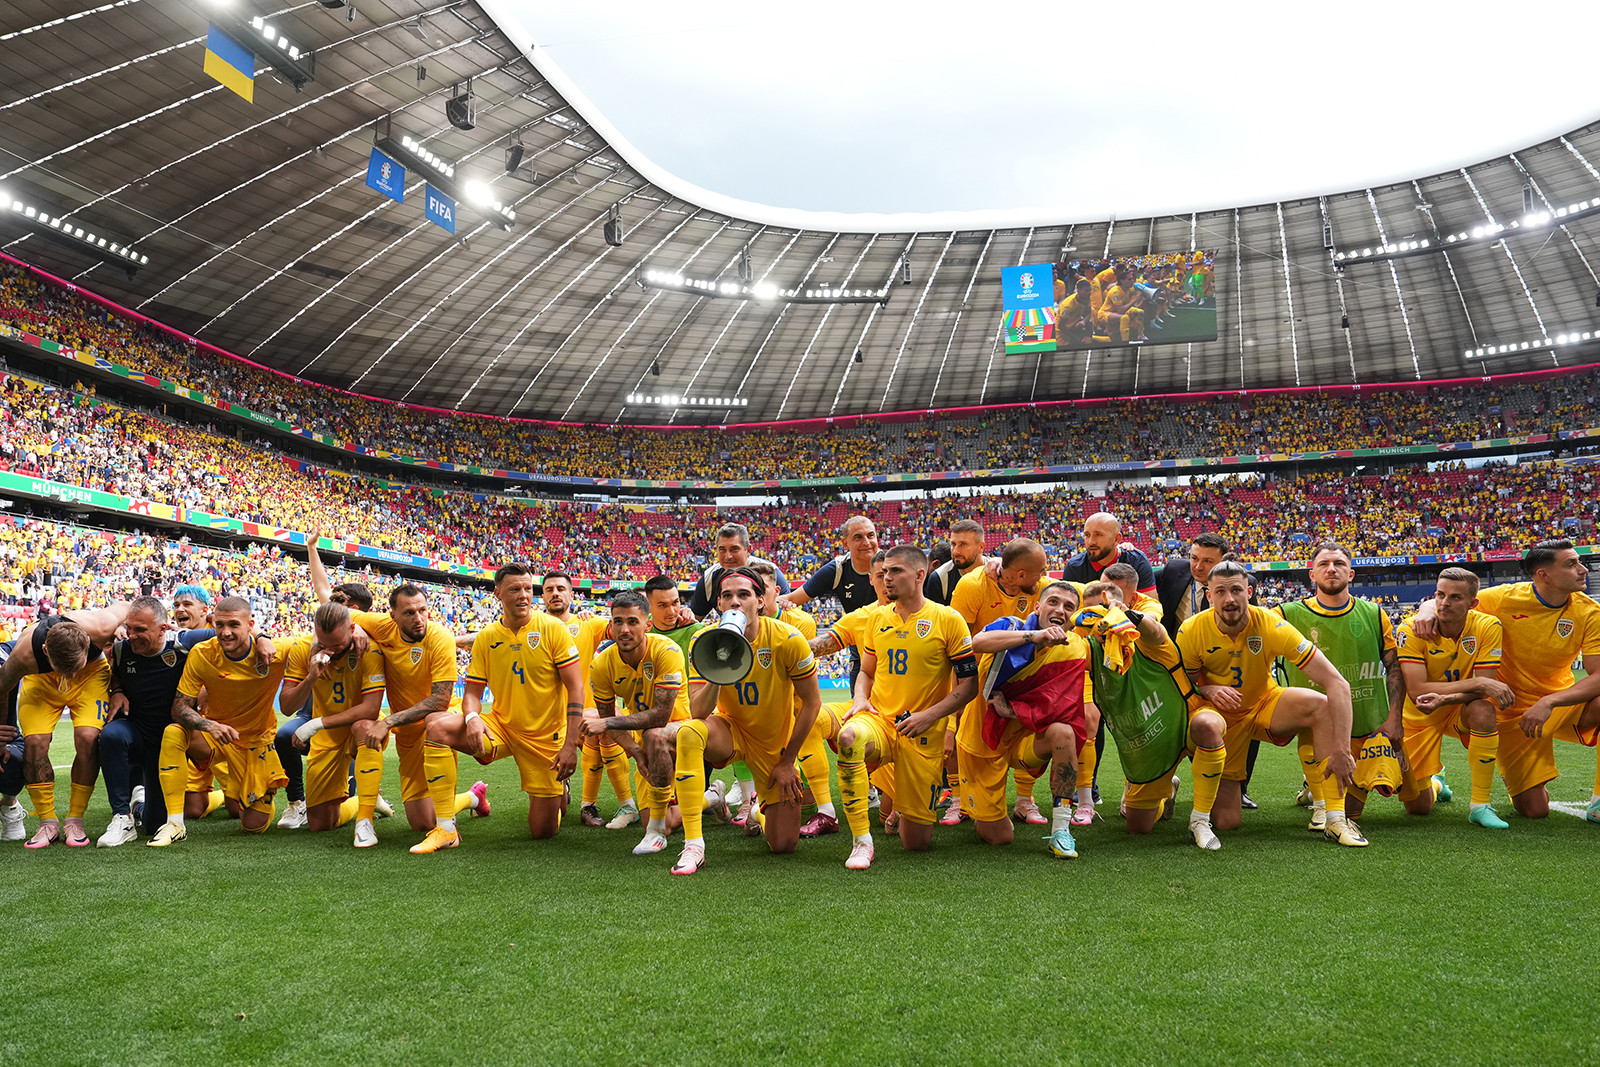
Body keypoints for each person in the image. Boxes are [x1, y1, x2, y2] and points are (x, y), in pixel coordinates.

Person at [1407, 539, 1600, 821]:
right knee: (1535, 810)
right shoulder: (1504, 598)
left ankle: (1597, 803)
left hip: (1557, 706)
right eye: (1571, 564)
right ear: (1543, 574)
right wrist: (1425, 611)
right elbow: (1452, 598)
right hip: (1509, 711)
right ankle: (1440, 780)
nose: (1583, 569)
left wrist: (1549, 701)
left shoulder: (1589, 612)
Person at [1175, 561, 1363, 846]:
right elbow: (1183, 686)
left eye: (1236, 590)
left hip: (1264, 703)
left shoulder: (1271, 624)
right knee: (1228, 822)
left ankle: (1335, 818)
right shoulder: (1191, 630)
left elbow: (1338, 683)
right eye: (1221, 592)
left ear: (1248, 592)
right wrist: (1208, 688)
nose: (1229, 599)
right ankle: (1189, 807)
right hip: (1221, 717)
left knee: (1321, 706)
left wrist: (1342, 749)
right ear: (1209, 595)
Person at [307, 539, 483, 842]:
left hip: (437, 721)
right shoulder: (377, 625)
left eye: (423, 610)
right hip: (406, 727)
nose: (418, 618)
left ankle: (470, 798)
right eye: (409, 613)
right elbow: (328, 603)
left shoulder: (439, 639)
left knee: (434, 728)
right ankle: (474, 797)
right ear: (392, 615)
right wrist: (354, 628)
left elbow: (439, 699)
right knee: (420, 822)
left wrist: (387, 721)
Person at [834, 544, 978, 870]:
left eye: (895, 571)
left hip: (922, 732)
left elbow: (969, 684)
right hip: (882, 722)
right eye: (884, 572)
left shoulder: (948, 619)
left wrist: (930, 717)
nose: (887, 578)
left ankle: (900, 808)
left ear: (919, 575)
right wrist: (860, 700)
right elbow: (866, 672)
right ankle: (861, 842)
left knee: (916, 843)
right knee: (848, 738)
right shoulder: (876, 619)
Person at [422, 562, 584, 848]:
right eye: (514, 589)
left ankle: (557, 792)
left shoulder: (553, 629)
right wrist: (472, 717)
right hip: (501, 727)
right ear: (498, 593)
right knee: (436, 727)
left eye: (527, 589)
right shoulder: (486, 637)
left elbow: (576, 688)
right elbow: (472, 693)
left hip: (546, 738)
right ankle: (446, 829)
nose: (524, 595)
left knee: (543, 832)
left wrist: (570, 744)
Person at [672, 567, 822, 874]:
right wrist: (717, 668)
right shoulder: (703, 640)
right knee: (689, 731)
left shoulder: (787, 639)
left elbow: (812, 702)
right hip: (730, 730)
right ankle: (694, 846)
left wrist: (787, 761)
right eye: (727, 595)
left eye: (744, 594)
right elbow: (698, 712)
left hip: (772, 747)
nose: (736, 602)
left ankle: (757, 811)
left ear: (761, 602)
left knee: (783, 845)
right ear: (719, 604)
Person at [96, 597, 260, 846]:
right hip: (135, 731)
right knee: (110, 735)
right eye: (129, 628)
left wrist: (264, 637)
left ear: (163, 629)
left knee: (154, 824)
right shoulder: (122, 649)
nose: (132, 635)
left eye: (140, 630)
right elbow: (116, 675)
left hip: (170, 742)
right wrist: (117, 690)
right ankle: (122, 816)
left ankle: (140, 804)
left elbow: (233, 630)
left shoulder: (185, 642)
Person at [1077, 581, 1226, 850]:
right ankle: (1167, 788)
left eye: (1102, 612)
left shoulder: (1149, 638)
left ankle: (1200, 821)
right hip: (1148, 745)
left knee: (1208, 724)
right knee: (1137, 827)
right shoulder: (1092, 650)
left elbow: (1154, 629)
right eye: (1090, 616)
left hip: (1185, 721)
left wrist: (1125, 615)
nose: (1099, 623)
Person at [1274, 543, 1406, 836]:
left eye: (1338, 564)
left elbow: (1395, 668)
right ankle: (1319, 797)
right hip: (1315, 721)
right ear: (1312, 574)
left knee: (1418, 803)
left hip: (1366, 726)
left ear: (1351, 574)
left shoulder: (1374, 613)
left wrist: (1395, 717)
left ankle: (1436, 781)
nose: (1331, 569)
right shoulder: (1286, 613)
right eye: (1323, 564)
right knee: (1340, 804)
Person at [148, 597, 290, 846]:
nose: (226, 632)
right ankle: (174, 823)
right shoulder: (202, 653)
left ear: (250, 625)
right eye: (220, 624)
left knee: (251, 824)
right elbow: (179, 708)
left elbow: (323, 640)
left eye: (234, 624)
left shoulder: (276, 651)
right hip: (216, 737)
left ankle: (231, 795)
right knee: (174, 733)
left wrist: (357, 633)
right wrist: (209, 725)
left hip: (254, 744)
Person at [967, 581, 1094, 857]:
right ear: (1037, 607)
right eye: (1053, 602)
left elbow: (1062, 707)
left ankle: (1061, 830)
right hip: (983, 739)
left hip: (1024, 735)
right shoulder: (1012, 625)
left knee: (1065, 732)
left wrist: (1012, 711)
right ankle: (975, 806)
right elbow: (978, 642)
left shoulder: (1074, 647)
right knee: (999, 837)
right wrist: (1034, 637)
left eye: (1068, 606)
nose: (1060, 610)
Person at [0, 602, 130, 847]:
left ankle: (75, 819)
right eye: (65, 669)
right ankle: (47, 823)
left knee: (88, 737)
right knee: (35, 742)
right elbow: (2, 688)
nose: (69, 676)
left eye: (74, 667)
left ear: (87, 643)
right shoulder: (23, 654)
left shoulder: (101, 625)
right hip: (41, 680)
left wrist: (125, 628)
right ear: (45, 650)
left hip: (90, 676)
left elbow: (132, 606)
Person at [1393, 568, 1512, 828]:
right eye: (1440, 594)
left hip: (1459, 708)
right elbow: (1417, 691)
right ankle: (1437, 782)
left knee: (1483, 709)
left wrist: (1460, 694)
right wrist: (1479, 682)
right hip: (1419, 716)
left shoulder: (1487, 626)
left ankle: (1480, 806)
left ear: (1473, 603)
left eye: (1456, 597)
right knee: (1418, 808)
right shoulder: (1411, 629)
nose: (1445, 603)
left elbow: (1484, 691)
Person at [949, 538, 1053, 827]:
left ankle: (1024, 801)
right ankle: (959, 800)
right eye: (1040, 571)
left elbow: (1081, 592)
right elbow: (959, 640)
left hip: (1025, 679)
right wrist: (961, 689)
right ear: (1020, 575)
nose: (1044, 576)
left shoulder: (1041, 588)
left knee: (1032, 729)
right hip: (979, 676)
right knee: (962, 733)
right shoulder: (972, 585)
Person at [583, 591, 692, 856]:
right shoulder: (602, 665)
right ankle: (711, 798)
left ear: (648, 625)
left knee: (656, 733)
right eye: (618, 621)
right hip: (647, 741)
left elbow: (661, 716)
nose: (624, 629)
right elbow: (607, 720)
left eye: (632, 621)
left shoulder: (666, 650)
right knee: (667, 823)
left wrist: (608, 722)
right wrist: (636, 752)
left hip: (682, 733)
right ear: (610, 626)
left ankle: (658, 830)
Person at [279, 602, 388, 847]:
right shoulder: (302, 649)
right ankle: (365, 799)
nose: (330, 650)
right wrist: (311, 678)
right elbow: (286, 706)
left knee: (364, 727)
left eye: (337, 645)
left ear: (352, 629)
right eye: (324, 644)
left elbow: (371, 708)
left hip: (358, 728)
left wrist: (317, 723)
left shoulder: (369, 649)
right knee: (320, 824)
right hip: (326, 738)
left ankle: (365, 820)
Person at [535, 573, 633, 830]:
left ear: (572, 595)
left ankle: (600, 805)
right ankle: (563, 789)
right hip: (548, 720)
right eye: (549, 589)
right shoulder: (533, 629)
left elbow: (628, 626)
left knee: (603, 728)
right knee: (551, 815)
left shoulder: (587, 624)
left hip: (586, 712)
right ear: (543, 596)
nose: (555, 593)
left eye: (560, 588)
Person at [686, 523, 791, 618]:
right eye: (722, 550)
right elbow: (694, 620)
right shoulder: (708, 579)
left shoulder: (770, 573)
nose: (728, 556)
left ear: (748, 550)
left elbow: (788, 612)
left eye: (734, 549)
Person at [923, 519, 986, 606]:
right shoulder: (939, 578)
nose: (956, 551)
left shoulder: (997, 571)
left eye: (963, 544)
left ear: (981, 547)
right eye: (953, 544)